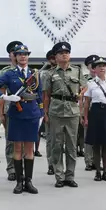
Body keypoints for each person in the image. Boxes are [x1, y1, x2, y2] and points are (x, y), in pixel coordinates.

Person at [0, 44, 41, 194]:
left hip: (31, 113)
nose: (23, 56)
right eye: (19, 54)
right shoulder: (9, 74)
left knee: (29, 150)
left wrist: (41, 113)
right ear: (15, 57)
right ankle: (19, 181)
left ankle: (29, 182)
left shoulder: (34, 74)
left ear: (28, 56)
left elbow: (39, 95)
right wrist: (4, 97)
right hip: (16, 113)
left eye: (25, 54)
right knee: (17, 149)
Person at [42, 42, 87, 188]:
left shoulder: (77, 71)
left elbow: (85, 86)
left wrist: (81, 95)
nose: (64, 54)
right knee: (56, 145)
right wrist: (46, 113)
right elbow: (46, 96)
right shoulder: (49, 73)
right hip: (55, 111)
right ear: (55, 56)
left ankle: (70, 176)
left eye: (67, 52)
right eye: (61, 53)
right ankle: (59, 176)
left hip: (72, 112)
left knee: (72, 146)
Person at [83, 57, 106, 182]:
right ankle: (98, 171)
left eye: (104, 66)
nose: (102, 68)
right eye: (99, 66)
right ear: (95, 69)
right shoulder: (91, 83)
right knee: (97, 145)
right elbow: (87, 103)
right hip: (96, 112)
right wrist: (86, 118)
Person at [0, 40, 23, 181]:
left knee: (24, 140)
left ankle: (22, 166)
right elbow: (2, 93)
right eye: (15, 53)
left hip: (25, 109)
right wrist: (1, 112)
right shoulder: (6, 72)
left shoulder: (27, 70)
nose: (17, 55)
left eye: (20, 53)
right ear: (10, 55)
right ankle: (11, 168)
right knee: (11, 140)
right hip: (10, 108)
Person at [39, 49, 57, 175]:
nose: (53, 60)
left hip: (64, 110)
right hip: (49, 108)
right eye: (51, 59)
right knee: (50, 139)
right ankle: (51, 164)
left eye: (54, 58)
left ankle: (59, 165)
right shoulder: (44, 73)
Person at [80, 55, 98, 170]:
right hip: (88, 111)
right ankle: (89, 161)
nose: (94, 69)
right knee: (88, 138)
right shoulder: (84, 80)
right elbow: (80, 98)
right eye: (92, 66)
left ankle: (97, 161)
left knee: (99, 138)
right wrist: (81, 115)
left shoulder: (105, 80)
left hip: (100, 113)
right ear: (88, 67)